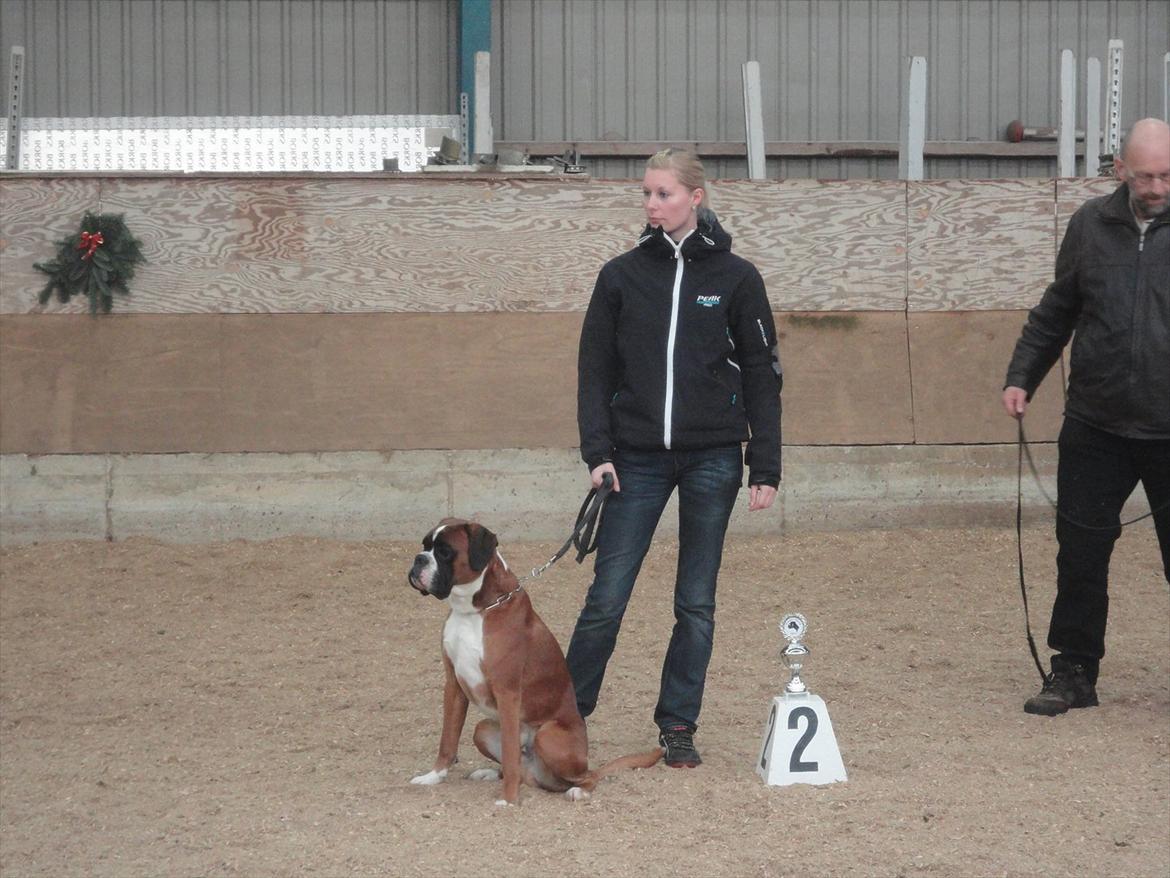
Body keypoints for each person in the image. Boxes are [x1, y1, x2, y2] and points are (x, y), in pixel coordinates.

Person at [567, 148, 782, 766]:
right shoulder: (620, 276)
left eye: (664, 194)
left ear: (696, 196)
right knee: (607, 595)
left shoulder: (737, 278)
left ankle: (678, 723)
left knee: (695, 601)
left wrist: (764, 465)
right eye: (646, 194)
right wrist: (597, 450)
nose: (653, 204)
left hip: (714, 455)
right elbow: (593, 371)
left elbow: (765, 377)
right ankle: (564, 714)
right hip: (634, 458)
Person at [1002, 117, 1170, 717]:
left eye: (1167, 174)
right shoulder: (1090, 226)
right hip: (1096, 422)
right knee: (1079, 552)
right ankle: (1073, 670)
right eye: (1146, 174)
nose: (1157, 186)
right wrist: (1023, 375)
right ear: (1120, 170)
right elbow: (1058, 309)